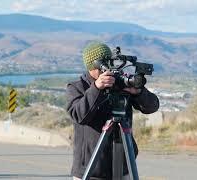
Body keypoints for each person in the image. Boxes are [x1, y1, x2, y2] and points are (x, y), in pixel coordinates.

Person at [66, 42, 159, 180]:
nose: (107, 69)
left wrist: (138, 92)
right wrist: (96, 88)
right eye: (102, 65)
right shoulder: (77, 87)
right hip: (91, 169)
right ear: (92, 66)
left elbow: (152, 107)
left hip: (123, 166)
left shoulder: (118, 83)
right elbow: (78, 115)